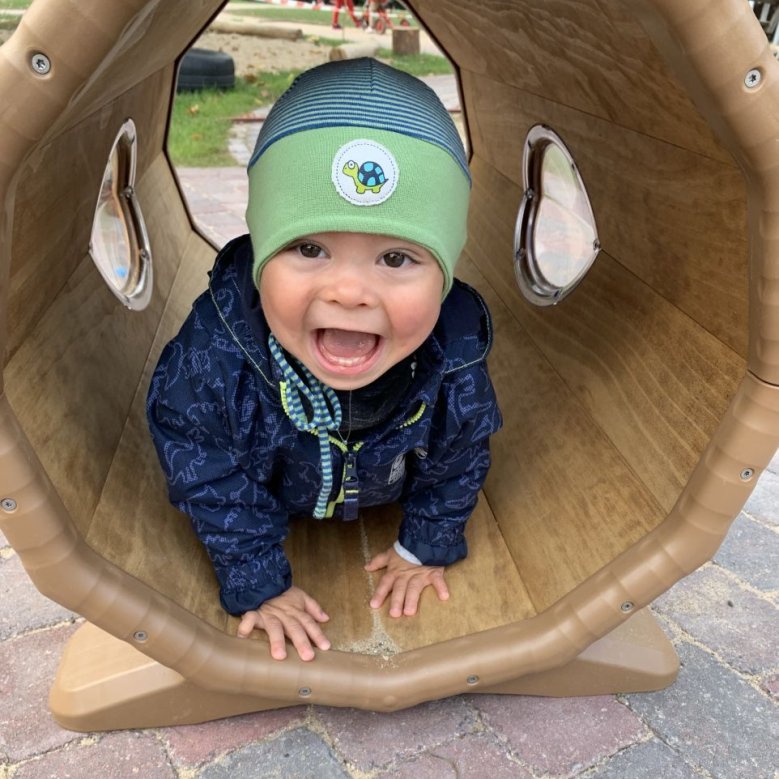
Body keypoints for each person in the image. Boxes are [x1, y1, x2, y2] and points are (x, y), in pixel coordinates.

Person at [147, 58, 502, 662]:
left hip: (381, 489)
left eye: (396, 259)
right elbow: (204, 469)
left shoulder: (454, 359)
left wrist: (425, 547)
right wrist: (258, 581)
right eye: (310, 248)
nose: (348, 292)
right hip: (269, 496)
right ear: (261, 250)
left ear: (445, 275)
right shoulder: (214, 361)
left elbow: (458, 457)